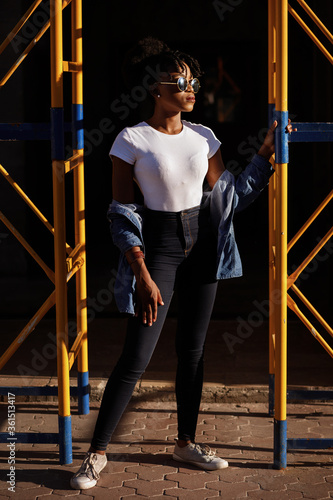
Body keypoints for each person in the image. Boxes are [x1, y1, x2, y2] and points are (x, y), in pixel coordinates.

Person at [70, 37, 292, 490]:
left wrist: (267, 152)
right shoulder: (130, 140)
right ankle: (96, 455)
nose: (192, 88)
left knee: (192, 353)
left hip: (204, 249)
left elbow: (228, 197)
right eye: (182, 81)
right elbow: (121, 214)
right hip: (159, 251)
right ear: (155, 88)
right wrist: (143, 273)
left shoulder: (204, 138)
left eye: (194, 80)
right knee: (137, 356)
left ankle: (186, 443)